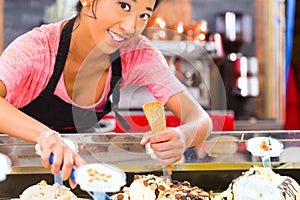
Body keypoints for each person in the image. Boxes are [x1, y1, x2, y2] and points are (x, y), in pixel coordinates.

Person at [0, 0, 212, 187]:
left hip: (73, 179)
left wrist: (183, 136)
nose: (130, 27)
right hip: (11, 172)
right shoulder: (37, 48)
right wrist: (46, 136)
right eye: (123, 5)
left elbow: (200, 119)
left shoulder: (136, 52)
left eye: (144, 15)